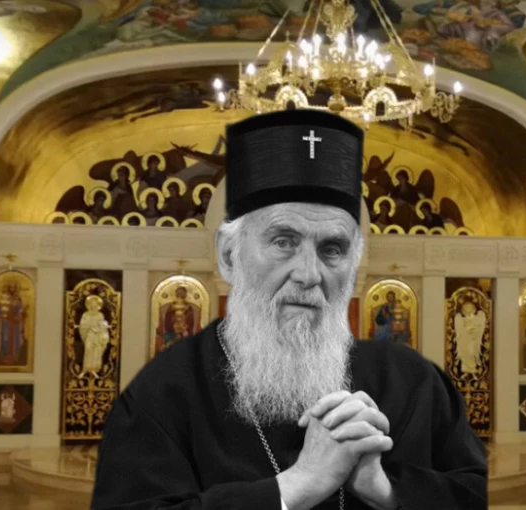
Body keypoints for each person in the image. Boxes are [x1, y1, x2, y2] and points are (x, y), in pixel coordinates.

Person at [91, 110, 488, 509]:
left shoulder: (415, 384)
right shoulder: (162, 394)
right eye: (283, 242)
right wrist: (297, 485)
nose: (309, 274)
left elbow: (473, 494)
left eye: (332, 249)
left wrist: (387, 490)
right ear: (229, 257)